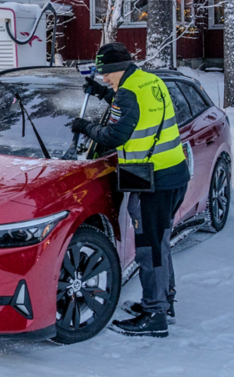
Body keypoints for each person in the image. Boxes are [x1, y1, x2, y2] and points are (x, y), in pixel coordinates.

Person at [70, 42, 190, 338]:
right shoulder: (149, 80)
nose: (104, 78)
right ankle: (163, 302)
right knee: (159, 242)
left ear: (116, 69)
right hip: (171, 171)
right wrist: (105, 96)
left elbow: (115, 135)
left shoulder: (128, 92)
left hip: (154, 179)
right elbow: (137, 112)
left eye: (106, 74)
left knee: (150, 248)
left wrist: (85, 127)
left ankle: (155, 315)